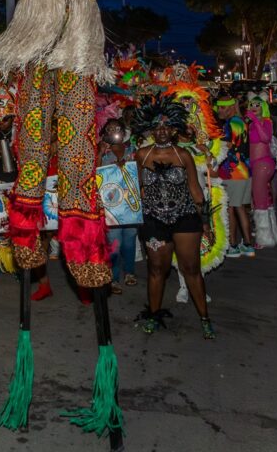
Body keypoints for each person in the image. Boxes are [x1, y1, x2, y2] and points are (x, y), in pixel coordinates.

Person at [133, 97, 214, 339]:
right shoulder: (142, 155)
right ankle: (154, 315)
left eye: (166, 127)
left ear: (174, 129)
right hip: (153, 220)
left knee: (191, 268)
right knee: (157, 269)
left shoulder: (183, 155)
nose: (162, 131)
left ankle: (205, 318)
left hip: (185, 217)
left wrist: (206, 222)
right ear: (151, 130)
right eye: (157, 127)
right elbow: (134, 188)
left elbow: (196, 189)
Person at [98, 118, 138, 293]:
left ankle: (129, 272)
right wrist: (100, 154)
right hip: (111, 204)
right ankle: (113, 278)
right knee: (115, 242)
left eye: (117, 129)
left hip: (130, 202)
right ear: (105, 133)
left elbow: (139, 170)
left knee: (129, 240)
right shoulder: (103, 151)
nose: (114, 131)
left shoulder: (132, 150)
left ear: (123, 132)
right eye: (109, 129)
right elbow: (95, 174)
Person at [215, 95, 255, 256]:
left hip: (234, 172)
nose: (219, 110)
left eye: (223, 107)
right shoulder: (240, 121)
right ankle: (246, 244)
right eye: (218, 107)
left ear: (231, 108)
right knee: (240, 209)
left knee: (232, 208)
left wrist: (211, 144)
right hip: (244, 171)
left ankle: (233, 245)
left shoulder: (232, 123)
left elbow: (229, 145)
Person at [246, 96, 277, 248]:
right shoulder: (251, 124)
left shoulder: (266, 122)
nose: (253, 107)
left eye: (257, 105)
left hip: (263, 164)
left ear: (263, 107)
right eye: (251, 104)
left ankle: (264, 239)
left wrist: (256, 121)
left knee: (260, 200)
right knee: (265, 199)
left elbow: (266, 138)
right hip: (255, 164)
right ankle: (271, 235)